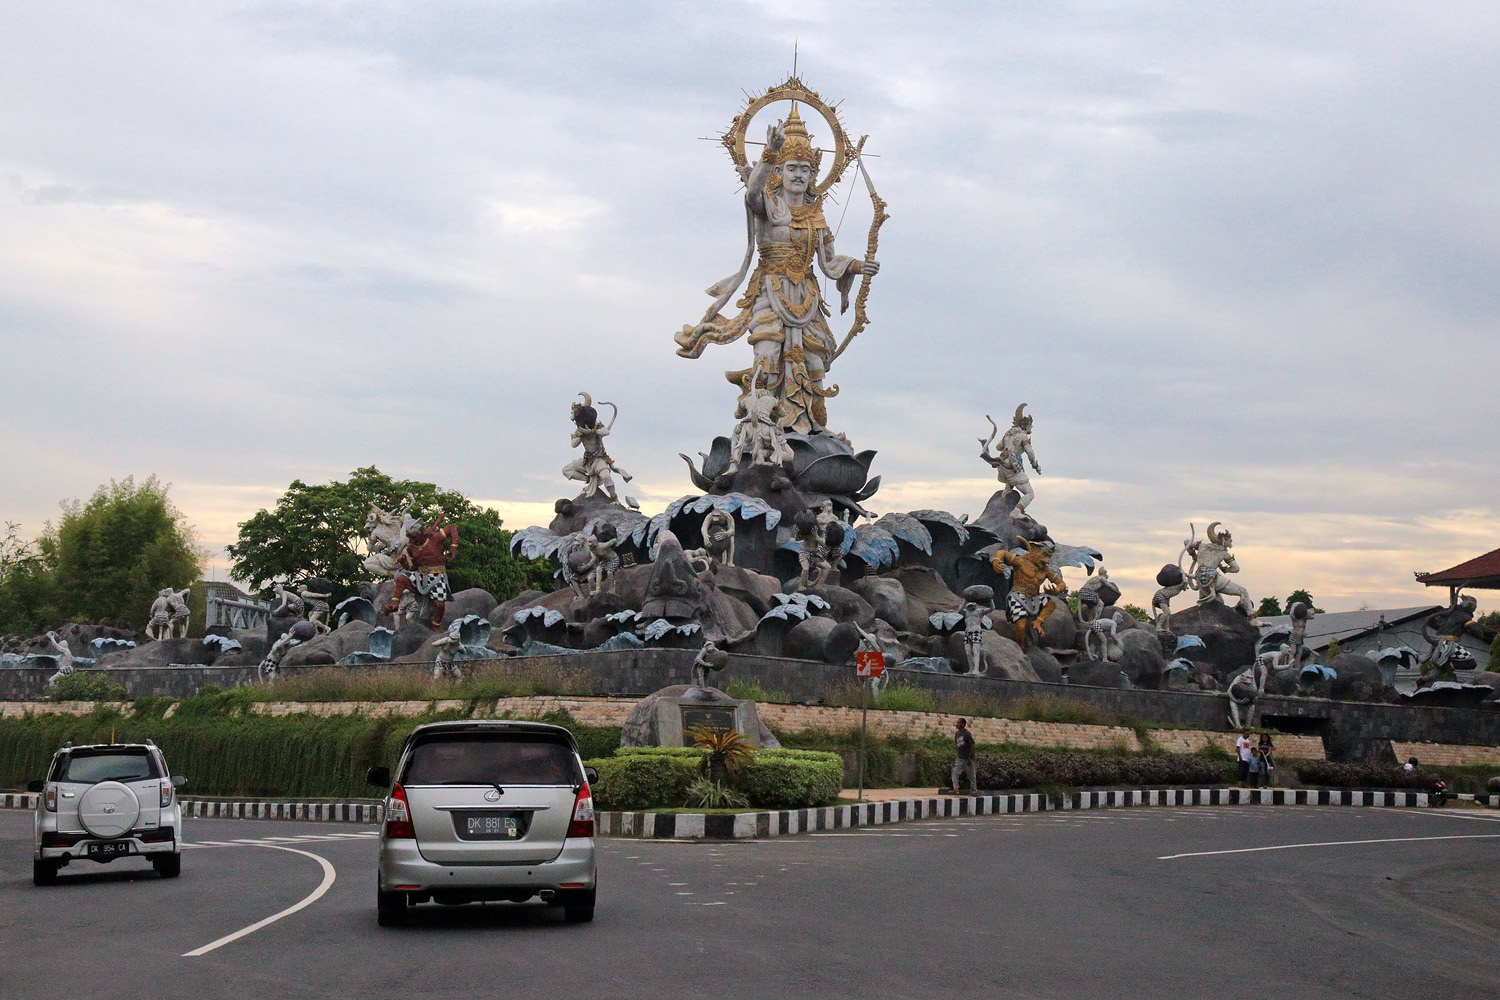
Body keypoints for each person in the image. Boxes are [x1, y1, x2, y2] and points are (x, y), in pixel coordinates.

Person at [676, 109, 878, 434]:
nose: (799, 175)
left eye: (806, 170)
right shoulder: (768, 205)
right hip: (770, 289)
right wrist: (767, 155)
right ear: (780, 171)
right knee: (767, 356)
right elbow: (751, 194)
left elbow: (829, 263)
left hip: (806, 296)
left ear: (814, 175)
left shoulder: (816, 216)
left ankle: (812, 427)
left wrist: (856, 266)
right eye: (792, 168)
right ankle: (760, 426)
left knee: (814, 363)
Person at [950, 718, 978, 795]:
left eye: (958, 723)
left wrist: (969, 757)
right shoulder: (957, 734)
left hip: (968, 758)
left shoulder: (967, 734)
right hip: (960, 758)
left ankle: (974, 791)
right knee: (955, 772)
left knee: (971, 776)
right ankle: (956, 789)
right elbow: (957, 744)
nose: (957, 724)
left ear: (963, 724)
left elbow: (972, 745)